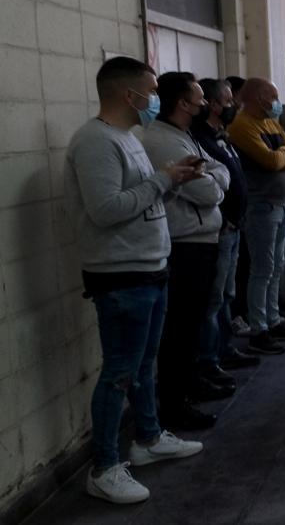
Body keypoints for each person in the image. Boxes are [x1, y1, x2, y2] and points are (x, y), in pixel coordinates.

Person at [66, 56, 203, 504]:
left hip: (150, 265)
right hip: (120, 274)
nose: (156, 98)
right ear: (129, 95)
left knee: (145, 364)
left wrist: (172, 178)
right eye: (152, 90)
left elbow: (143, 194)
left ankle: (146, 438)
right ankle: (104, 466)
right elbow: (105, 210)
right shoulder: (94, 141)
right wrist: (162, 180)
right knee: (120, 372)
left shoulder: (129, 137)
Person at [141, 72, 231, 430]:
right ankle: (175, 405)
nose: (205, 103)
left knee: (192, 324)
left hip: (202, 240)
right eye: (199, 97)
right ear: (182, 102)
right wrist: (214, 177)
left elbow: (218, 171)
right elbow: (208, 192)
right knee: (178, 329)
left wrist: (213, 175)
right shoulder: (161, 141)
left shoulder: (184, 137)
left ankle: (190, 384)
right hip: (185, 245)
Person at [227, 79, 285, 355]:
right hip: (259, 207)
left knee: (276, 267)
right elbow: (270, 161)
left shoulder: (270, 123)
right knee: (262, 269)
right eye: (272, 96)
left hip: (279, 204)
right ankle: (259, 328)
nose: (276, 102)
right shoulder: (243, 126)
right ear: (258, 98)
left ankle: (273, 319)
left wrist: (280, 154)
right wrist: (280, 155)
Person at [190, 79, 259, 377]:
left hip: (233, 227)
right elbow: (208, 181)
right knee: (214, 297)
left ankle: (224, 347)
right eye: (229, 100)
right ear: (214, 105)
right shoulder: (199, 139)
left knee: (226, 294)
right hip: (220, 228)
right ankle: (209, 358)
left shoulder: (221, 136)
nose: (235, 106)